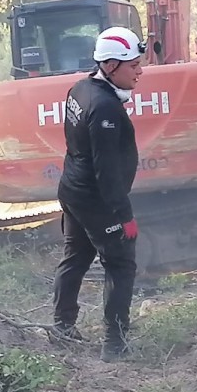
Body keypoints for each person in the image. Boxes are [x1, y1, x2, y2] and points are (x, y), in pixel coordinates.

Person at [52, 26, 145, 359]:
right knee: (121, 264)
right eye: (133, 66)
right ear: (109, 65)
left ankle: (61, 328)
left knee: (75, 256)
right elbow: (106, 170)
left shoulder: (79, 89)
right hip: (95, 198)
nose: (140, 72)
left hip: (73, 189)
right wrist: (124, 216)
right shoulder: (105, 108)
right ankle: (114, 343)